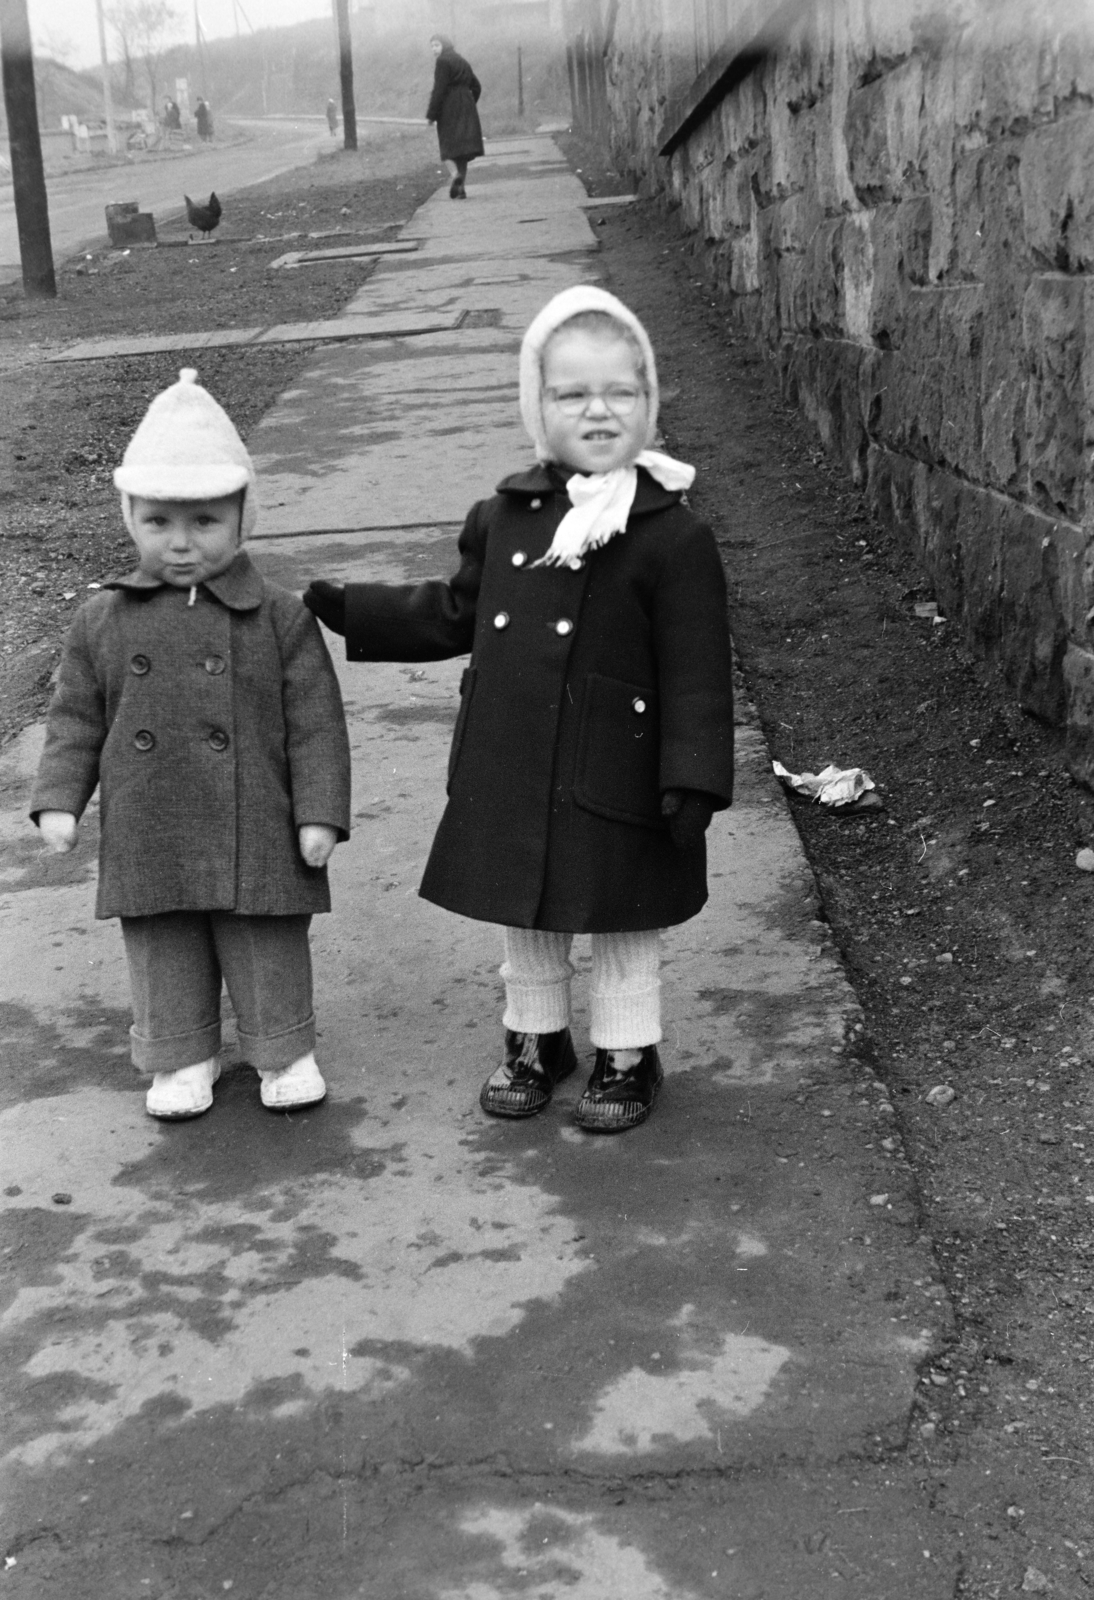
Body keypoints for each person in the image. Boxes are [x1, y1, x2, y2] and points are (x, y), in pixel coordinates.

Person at [303, 286, 735, 1133]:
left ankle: (627, 1051)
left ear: (650, 402)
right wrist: (355, 608)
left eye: (623, 391)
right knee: (525, 912)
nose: (599, 411)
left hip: (620, 765)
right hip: (512, 753)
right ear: (537, 408)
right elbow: (456, 611)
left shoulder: (673, 536)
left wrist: (696, 778)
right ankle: (536, 1041)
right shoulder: (505, 518)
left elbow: (697, 674)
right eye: (572, 393)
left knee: (620, 917)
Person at [31, 370, 351, 1123]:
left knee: (265, 937)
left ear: (244, 516)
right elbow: (75, 717)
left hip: (257, 815)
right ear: (130, 517)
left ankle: (283, 1047)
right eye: (158, 522)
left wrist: (320, 814)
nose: (180, 543)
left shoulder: (278, 618)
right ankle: (181, 1053)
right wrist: (59, 800)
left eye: (205, 521)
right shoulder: (103, 621)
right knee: (163, 943)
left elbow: (315, 722)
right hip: (151, 816)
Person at [426, 33, 483, 199]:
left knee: (447, 148)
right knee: (463, 151)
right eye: (432, 46)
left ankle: (455, 176)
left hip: (449, 108)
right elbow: (477, 86)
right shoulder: (462, 60)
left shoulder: (442, 62)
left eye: (436, 45)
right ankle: (461, 189)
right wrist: (469, 103)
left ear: (444, 45)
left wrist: (432, 114)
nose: (434, 49)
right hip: (466, 106)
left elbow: (439, 89)